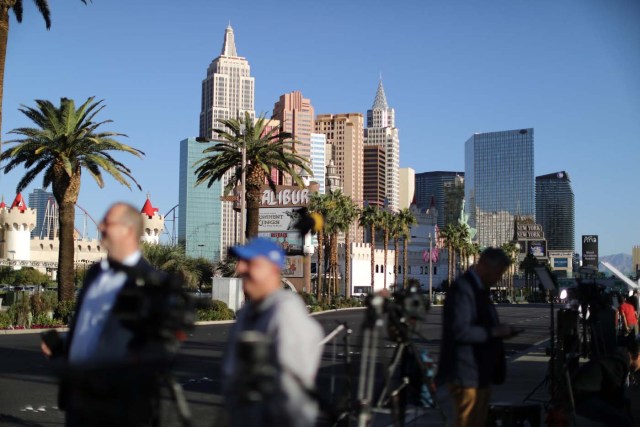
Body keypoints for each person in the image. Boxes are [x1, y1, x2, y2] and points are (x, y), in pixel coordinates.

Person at [41, 202, 172, 427]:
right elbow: (91, 327)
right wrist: (63, 345)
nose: (99, 225)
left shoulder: (152, 283)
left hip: (119, 406)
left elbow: (157, 346)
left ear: (128, 231)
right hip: (77, 401)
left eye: (107, 223)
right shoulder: (95, 273)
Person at [222, 237, 324, 427]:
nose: (241, 269)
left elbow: (293, 396)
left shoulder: (285, 313)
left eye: (251, 263)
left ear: (273, 270)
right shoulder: (247, 313)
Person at [435, 247, 520, 427]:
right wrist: (495, 332)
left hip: (479, 376)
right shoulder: (464, 288)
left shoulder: (479, 289)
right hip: (465, 376)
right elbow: (460, 330)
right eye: (497, 273)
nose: (498, 278)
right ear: (483, 266)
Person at [572, 337, 640, 427]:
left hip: (584, 393)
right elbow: (615, 396)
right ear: (638, 355)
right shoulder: (619, 364)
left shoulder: (618, 358)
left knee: (623, 407)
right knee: (622, 420)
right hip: (582, 399)